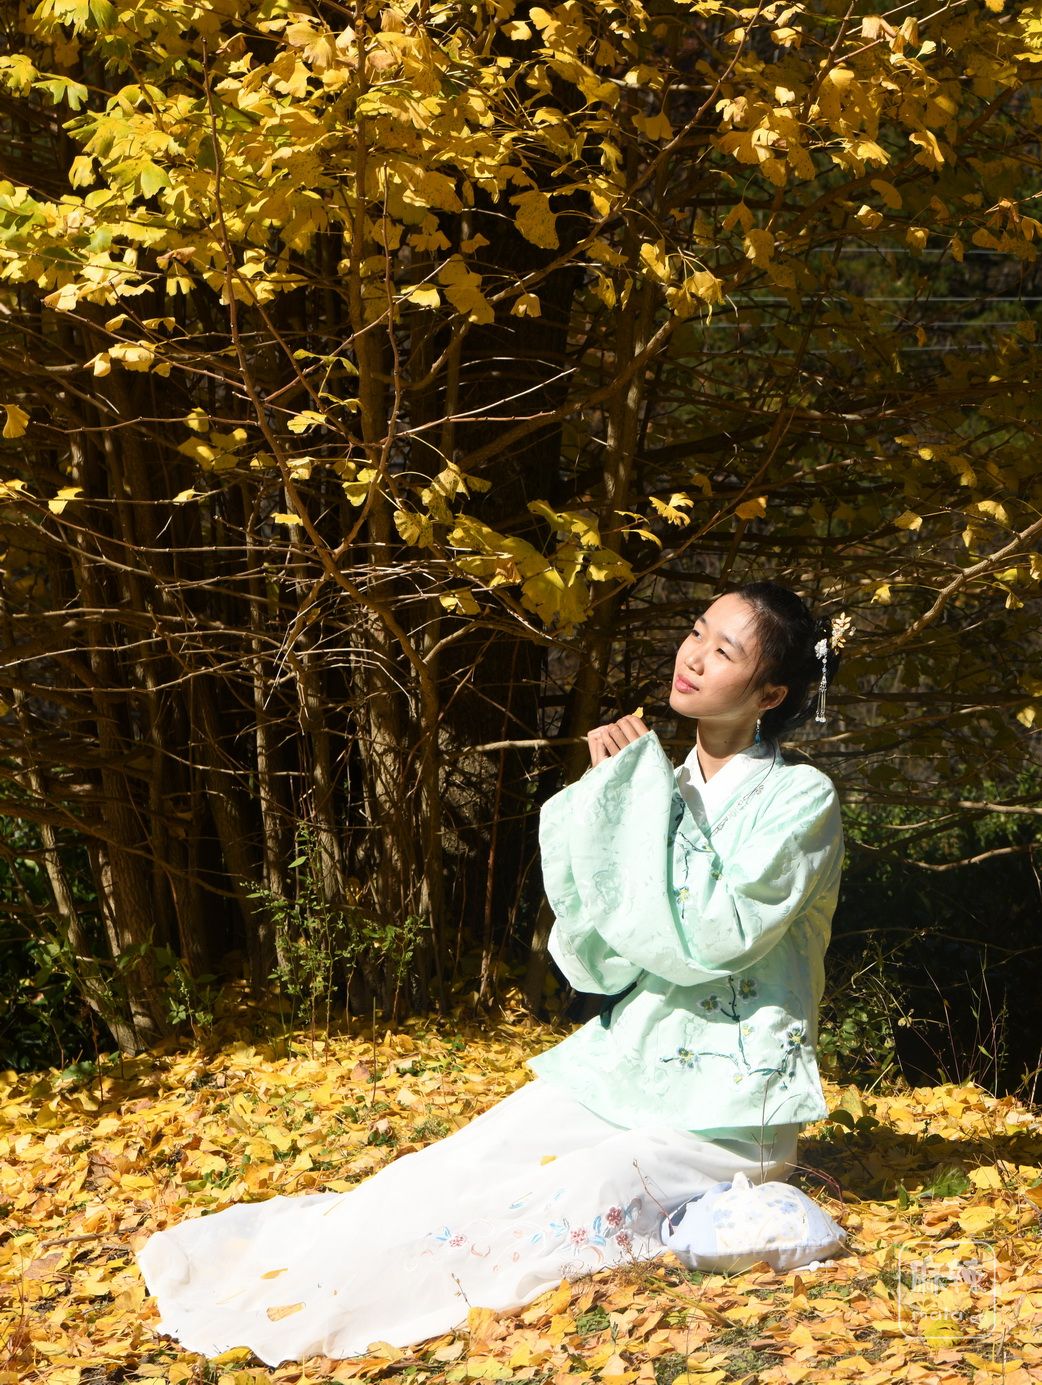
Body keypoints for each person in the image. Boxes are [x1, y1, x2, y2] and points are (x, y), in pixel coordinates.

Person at [136, 580, 845, 1367]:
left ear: (771, 692)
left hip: (726, 1112)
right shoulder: (663, 783)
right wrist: (617, 798)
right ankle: (285, 1275)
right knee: (456, 1164)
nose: (695, 656)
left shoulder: (801, 799)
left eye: (725, 650)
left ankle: (372, 1303)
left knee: (570, 1195)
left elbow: (715, 935)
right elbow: (606, 956)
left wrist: (636, 797)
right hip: (628, 1067)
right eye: (697, 630)